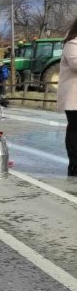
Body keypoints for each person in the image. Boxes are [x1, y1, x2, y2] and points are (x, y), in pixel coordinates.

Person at [58, 16, 77, 177]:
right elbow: (75, 64)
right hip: (74, 96)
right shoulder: (72, 43)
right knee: (75, 129)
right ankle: (74, 165)